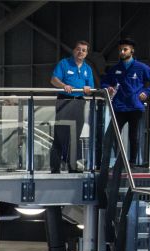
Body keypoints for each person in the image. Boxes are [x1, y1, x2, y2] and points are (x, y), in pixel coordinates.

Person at [101, 37, 150, 167]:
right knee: (111, 135)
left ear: (131, 50)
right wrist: (108, 87)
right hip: (119, 107)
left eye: (125, 49)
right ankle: (108, 162)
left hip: (135, 107)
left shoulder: (141, 67)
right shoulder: (115, 68)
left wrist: (146, 92)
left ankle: (132, 162)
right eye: (120, 50)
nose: (122, 52)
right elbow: (104, 81)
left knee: (134, 136)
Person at [49, 40, 95, 173]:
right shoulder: (64, 63)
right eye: (78, 49)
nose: (81, 52)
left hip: (79, 102)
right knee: (60, 134)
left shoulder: (87, 69)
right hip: (64, 101)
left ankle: (72, 166)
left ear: (86, 54)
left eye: (84, 50)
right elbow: (53, 80)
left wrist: (88, 89)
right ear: (74, 50)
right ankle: (55, 167)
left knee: (76, 135)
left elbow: (90, 87)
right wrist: (63, 85)